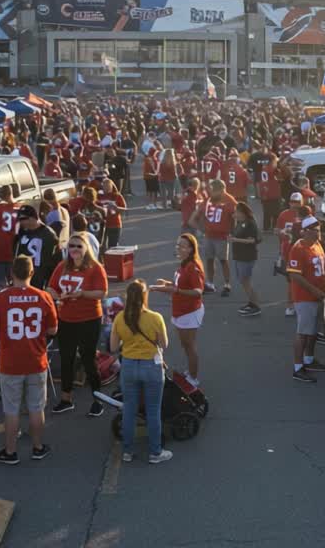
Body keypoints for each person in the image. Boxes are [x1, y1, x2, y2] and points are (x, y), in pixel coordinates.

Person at [0, 256, 58, 464]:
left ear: (11, 274)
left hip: (11, 361)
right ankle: (37, 447)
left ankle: (10, 451)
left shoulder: (1, 297)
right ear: (31, 273)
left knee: (11, 409)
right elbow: (53, 329)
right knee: (36, 407)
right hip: (36, 359)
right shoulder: (43, 296)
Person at [110, 280, 173, 464]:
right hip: (151, 367)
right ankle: (155, 452)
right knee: (153, 411)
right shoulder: (155, 318)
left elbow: (114, 346)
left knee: (129, 410)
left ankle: (128, 451)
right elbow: (164, 344)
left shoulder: (120, 318)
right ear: (145, 296)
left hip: (129, 366)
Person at [47, 235, 110, 416]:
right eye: (71, 246)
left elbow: (102, 293)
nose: (74, 249)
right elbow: (50, 288)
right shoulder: (62, 266)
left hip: (89, 320)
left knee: (88, 360)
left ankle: (98, 401)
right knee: (67, 359)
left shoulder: (95, 268)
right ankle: (66, 399)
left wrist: (82, 294)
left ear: (86, 248)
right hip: (66, 320)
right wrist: (58, 297)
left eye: (78, 246)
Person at [150, 233, 206, 385]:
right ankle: (190, 372)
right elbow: (179, 285)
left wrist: (176, 291)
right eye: (177, 245)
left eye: (182, 246)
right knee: (185, 344)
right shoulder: (184, 263)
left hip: (190, 312)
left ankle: (193, 378)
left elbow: (198, 292)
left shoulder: (193, 267)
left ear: (190, 249)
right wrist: (166, 284)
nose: (178, 248)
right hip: (181, 310)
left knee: (190, 345)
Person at [287, 217, 325, 383]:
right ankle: (298, 367)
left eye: (319, 229)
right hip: (305, 296)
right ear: (306, 231)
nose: (318, 232)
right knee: (303, 332)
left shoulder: (317, 245)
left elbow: (323, 267)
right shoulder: (298, 248)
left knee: (313, 331)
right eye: (315, 229)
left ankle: (309, 360)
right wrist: (314, 290)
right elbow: (294, 274)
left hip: (318, 295)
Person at [195, 179, 237, 296]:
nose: (210, 192)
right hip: (209, 235)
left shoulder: (230, 201)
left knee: (223, 260)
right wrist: (201, 228)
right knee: (209, 259)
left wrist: (233, 231)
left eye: (213, 190)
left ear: (221, 190)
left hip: (222, 236)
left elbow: (236, 217)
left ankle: (227, 284)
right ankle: (210, 283)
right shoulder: (209, 199)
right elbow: (199, 213)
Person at [15, 205, 61, 290]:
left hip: (41, 278)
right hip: (25, 278)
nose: (20, 222)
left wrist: (49, 280)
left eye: (23, 219)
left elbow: (54, 260)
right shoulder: (23, 233)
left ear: (33, 218)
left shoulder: (48, 234)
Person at [230, 202, 261, 316]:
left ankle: (256, 305)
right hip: (238, 255)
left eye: (236, 211)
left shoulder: (250, 224)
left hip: (247, 256)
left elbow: (253, 240)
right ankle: (251, 302)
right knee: (243, 280)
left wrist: (235, 240)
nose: (235, 213)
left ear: (242, 213)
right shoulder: (239, 222)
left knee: (246, 281)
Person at [98, 178, 128, 249]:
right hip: (102, 225)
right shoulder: (99, 196)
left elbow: (125, 209)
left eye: (108, 186)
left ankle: (112, 259)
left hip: (115, 225)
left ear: (112, 186)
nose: (107, 188)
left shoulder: (117, 196)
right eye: (105, 186)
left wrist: (116, 208)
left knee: (113, 247)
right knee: (101, 246)